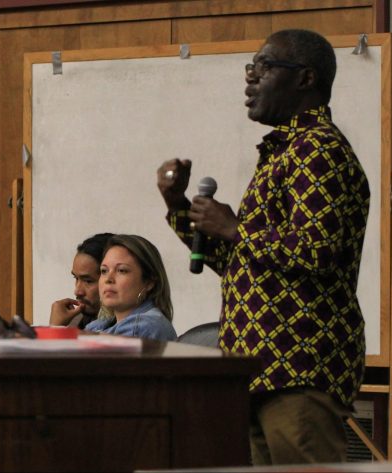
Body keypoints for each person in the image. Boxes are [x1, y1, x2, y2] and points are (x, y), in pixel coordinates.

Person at [157, 29, 369, 465]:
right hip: (260, 365)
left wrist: (237, 228)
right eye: (249, 68)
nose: (250, 79)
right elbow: (245, 266)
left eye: (264, 67)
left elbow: (317, 251)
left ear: (305, 79)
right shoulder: (283, 152)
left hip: (300, 364)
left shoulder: (319, 150)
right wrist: (178, 207)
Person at [85, 234, 177, 341]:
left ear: (149, 283)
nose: (108, 279)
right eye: (104, 271)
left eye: (122, 270)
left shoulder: (144, 326)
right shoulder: (99, 325)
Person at [49, 233, 114, 329]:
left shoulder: (132, 326)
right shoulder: (75, 319)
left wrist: (56, 329)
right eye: (76, 278)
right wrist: (57, 327)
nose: (78, 291)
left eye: (88, 281)